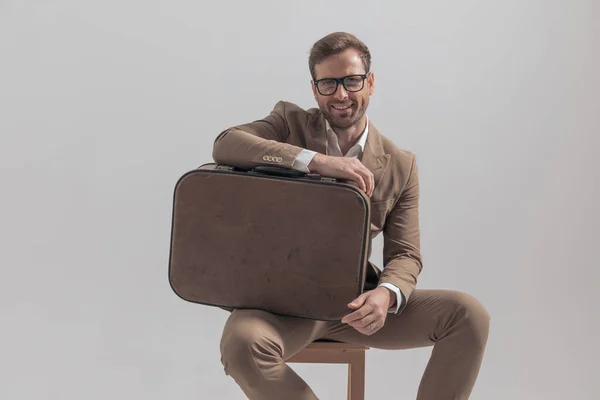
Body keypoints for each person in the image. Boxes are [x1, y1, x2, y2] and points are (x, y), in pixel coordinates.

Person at [211, 31, 490, 400]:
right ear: (315, 90)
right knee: (240, 344)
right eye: (328, 83)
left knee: (468, 315)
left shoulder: (400, 165)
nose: (341, 94)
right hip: (279, 309)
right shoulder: (287, 123)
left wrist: (386, 296)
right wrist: (315, 161)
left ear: (369, 82)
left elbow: (405, 254)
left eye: (351, 81)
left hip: (354, 304)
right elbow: (226, 144)